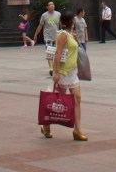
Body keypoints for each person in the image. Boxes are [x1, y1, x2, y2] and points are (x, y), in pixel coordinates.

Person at [40, 8, 88, 141]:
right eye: (73, 19)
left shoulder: (69, 34)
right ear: (71, 21)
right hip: (62, 72)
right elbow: (58, 53)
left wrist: (75, 38)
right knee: (56, 102)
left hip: (73, 72)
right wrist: (56, 73)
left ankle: (77, 130)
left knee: (77, 98)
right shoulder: (62, 35)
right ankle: (46, 125)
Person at [33, 1, 61, 74]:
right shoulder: (44, 15)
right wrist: (36, 34)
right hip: (48, 37)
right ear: (47, 7)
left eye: (53, 4)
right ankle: (51, 68)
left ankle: (55, 66)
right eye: (50, 5)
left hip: (56, 37)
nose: (52, 6)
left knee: (56, 53)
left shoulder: (58, 14)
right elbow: (40, 25)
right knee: (49, 53)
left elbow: (61, 24)